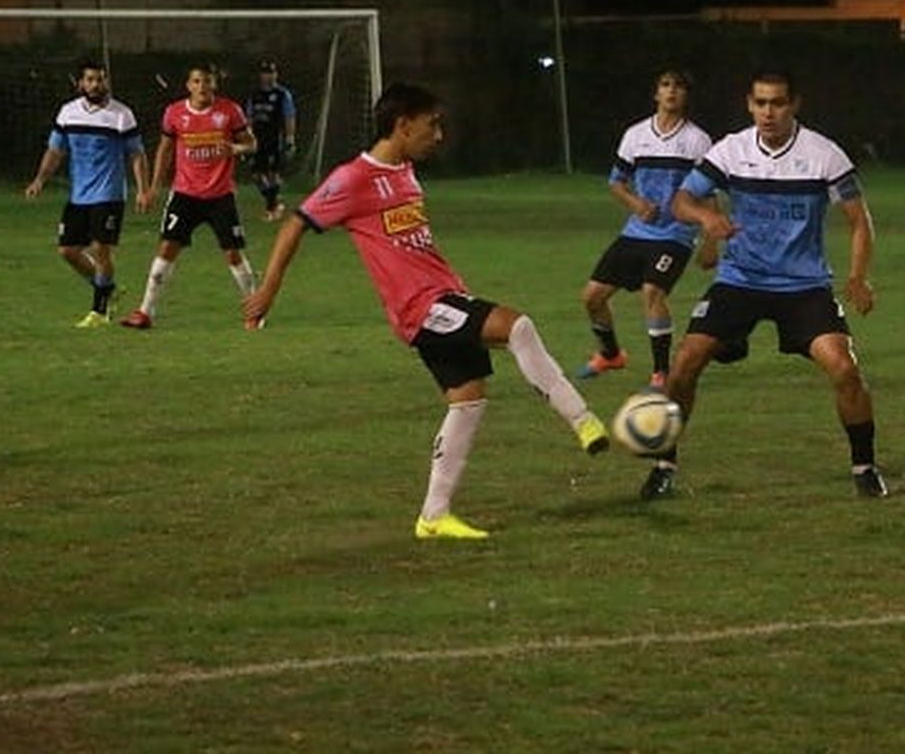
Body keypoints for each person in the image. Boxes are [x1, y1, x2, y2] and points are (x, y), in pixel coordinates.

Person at [242, 82, 611, 540]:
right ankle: (583, 420)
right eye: (432, 124)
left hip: (444, 296)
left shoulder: (405, 172)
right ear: (402, 124)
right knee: (518, 326)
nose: (439, 135)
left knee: (468, 400)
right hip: (420, 308)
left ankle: (434, 517)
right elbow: (296, 224)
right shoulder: (353, 178)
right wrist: (270, 288)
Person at [640, 72, 889, 501]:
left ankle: (864, 466)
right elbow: (682, 200)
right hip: (740, 281)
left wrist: (857, 277)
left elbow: (859, 221)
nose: (768, 113)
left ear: (794, 105)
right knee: (683, 364)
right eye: (760, 103)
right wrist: (707, 218)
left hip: (804, 286)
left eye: (777, 104)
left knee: (845, 368)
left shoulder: (823, 155)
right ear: (749, 105)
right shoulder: (731, 150)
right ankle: (665, 465)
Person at [577, 69, 714, 389]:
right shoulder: (636, 135)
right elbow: (616, 182)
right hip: (636, 232)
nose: (672, 91)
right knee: (592, 298)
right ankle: (611, 355)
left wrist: (709, 240)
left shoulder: (697, 140)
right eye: (666, 85)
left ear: (686, 96)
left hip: (676, 235)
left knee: (653, 291)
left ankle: (661, 373)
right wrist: (636, 204)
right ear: (656, 94)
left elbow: (708, 193)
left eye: (679, 87)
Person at [120, 65, 258, 329]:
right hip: (185, 194)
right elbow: (165, 150)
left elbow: (252, 143)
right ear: (188, 85)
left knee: (232, 254)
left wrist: (235, 148)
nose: (202, 87)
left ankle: (255, 310)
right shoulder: (175, 113)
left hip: (220, 195)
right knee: (166, 249)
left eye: (207, 81)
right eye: (196, 81)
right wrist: (153, 188)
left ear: (214, 84)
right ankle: (145, 312)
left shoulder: (230, 111)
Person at [24, 59, 149, 327]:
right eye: (90, 80)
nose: (95, 85)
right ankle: (108, 288)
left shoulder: (121, 115)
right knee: (67, 250)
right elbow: (55, 151)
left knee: (101, 249)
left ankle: (100, 311)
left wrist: (142, 189)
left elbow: (137, 154)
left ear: (106, 82)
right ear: (80, 83)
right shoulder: (68, 113)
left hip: (110, 194)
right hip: (79, 196)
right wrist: (39, 180)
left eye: (100, 79)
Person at [246, 58, 298, 222]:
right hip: (257, 139)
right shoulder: (254, 95)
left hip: (275, 138)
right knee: (256, 174)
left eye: (271, 73)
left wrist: (290, 138)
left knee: (273, 172)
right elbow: (248, 118)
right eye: (265, 73)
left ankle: (271, 208)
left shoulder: (282, 94)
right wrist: (246, 138)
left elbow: (289, 117)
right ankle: (275, 202)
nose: (268, 77)